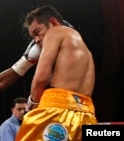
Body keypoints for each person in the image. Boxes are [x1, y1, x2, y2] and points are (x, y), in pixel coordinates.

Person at [16, 6, 98, 141]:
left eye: (37, 32)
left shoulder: (55, 32)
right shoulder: (84, 49)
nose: (36, 40)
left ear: (53, 22)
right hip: (87, 115)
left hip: (56, 112)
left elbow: (41, 78)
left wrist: (32, 104)